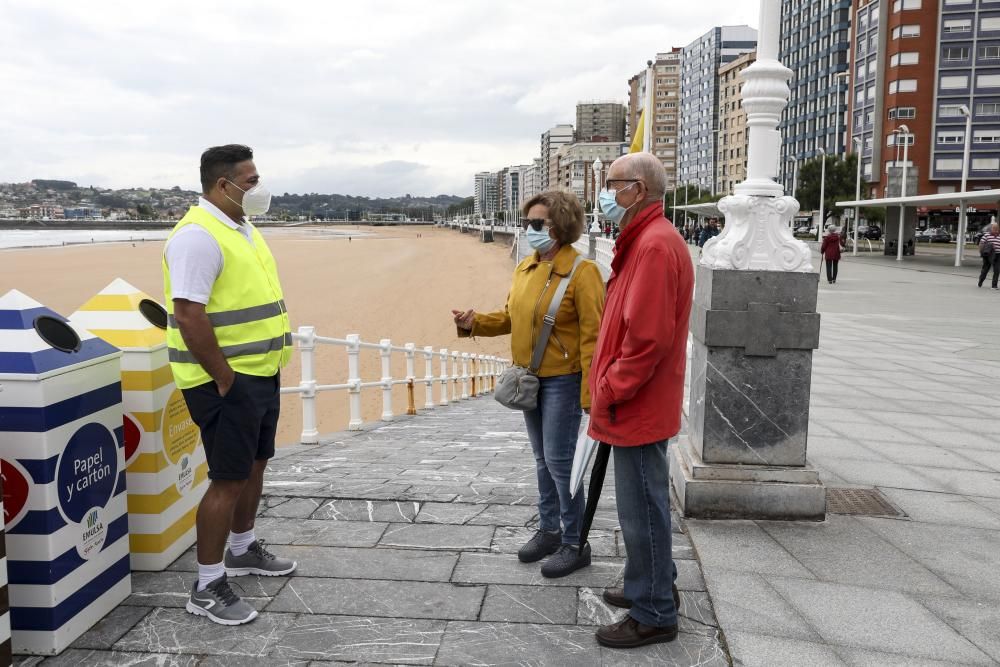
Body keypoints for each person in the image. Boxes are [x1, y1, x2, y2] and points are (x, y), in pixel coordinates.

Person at [163, 145, 297, 626]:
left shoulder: (241, 228)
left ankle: (242, 549)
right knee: (227, 478)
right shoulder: (198, 237)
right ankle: (206, 584)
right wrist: (224, 377)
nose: (259, 188)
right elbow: (188, 314)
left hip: (259, 373)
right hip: (225, 381)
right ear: (224, 185)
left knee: (254, 465)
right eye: (252, 180)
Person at [452, 190, 605, 578]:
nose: (528, 229)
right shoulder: (526, 268)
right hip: (529, 379)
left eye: (536, 224)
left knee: (560, 461)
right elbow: (511, 317)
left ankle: (575, 542)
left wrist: (590, 394)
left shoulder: (582, 273)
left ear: (559, 226)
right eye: (528, 223)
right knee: (542, 461)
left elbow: (594, 338)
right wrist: (475, 324)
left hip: (564, 382)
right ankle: (549, 530)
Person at [588, 152, 694, 649]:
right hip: (638, 400)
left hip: (637, 402)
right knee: (640, 502)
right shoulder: (645, 240)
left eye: (612, 184)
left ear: (640, 189)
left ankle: (654, 612)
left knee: (642, 508)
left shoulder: (653, 245)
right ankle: (649, 584)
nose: (605, 193)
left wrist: (610, 388)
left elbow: (646, 339)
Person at [978, 222, 1000, 289]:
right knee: (985, 269)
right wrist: (981, 252)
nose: (995, 230)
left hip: (998, 255)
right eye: (994, 228)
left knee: (997, 270)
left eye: (996, 228)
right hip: (988, 255)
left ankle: (994, 285)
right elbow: (981, 244)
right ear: (991, 229)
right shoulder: (987, 235)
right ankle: (980, 281)